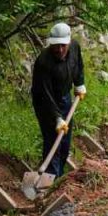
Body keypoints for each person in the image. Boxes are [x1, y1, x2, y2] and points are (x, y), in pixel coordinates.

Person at [30, 21, 86, 178]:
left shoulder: (74, 47)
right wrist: (56, 118)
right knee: (52, 140)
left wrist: (80, 83)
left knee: (65, 142)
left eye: (63, 45)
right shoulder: (44, 63)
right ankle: (50, 180)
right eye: (56, 46)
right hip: (45, 104)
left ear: (68, 42)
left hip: (65, 98)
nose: (59, 49)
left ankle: (59, 177)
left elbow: (78, 65)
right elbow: (44, 94)